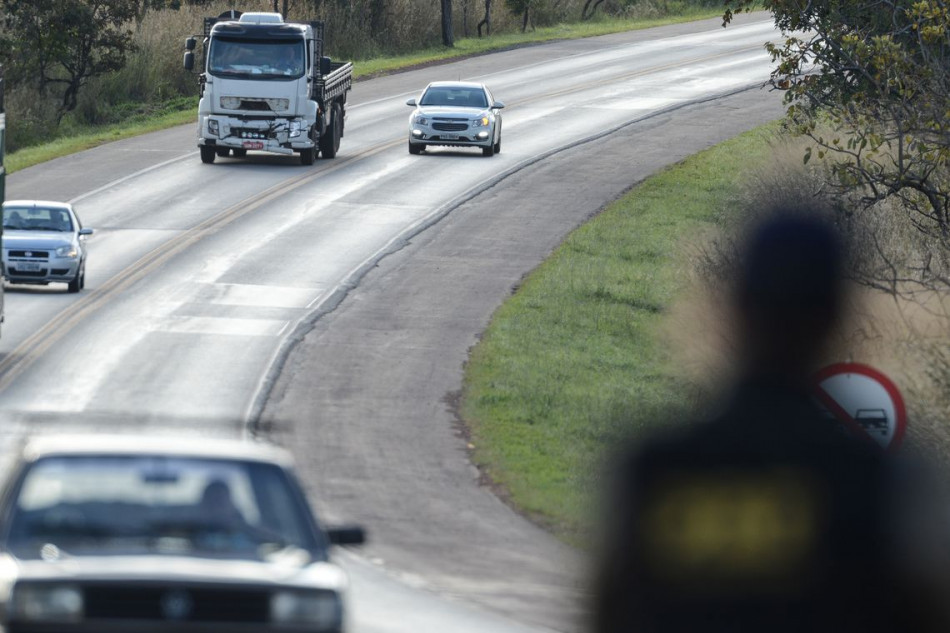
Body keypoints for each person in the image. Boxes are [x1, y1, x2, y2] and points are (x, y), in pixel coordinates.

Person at [592, 208, 950, 633]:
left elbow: (609, 609)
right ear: (836, 314)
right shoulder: (890, 485)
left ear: (737, 306)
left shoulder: (654, 471)